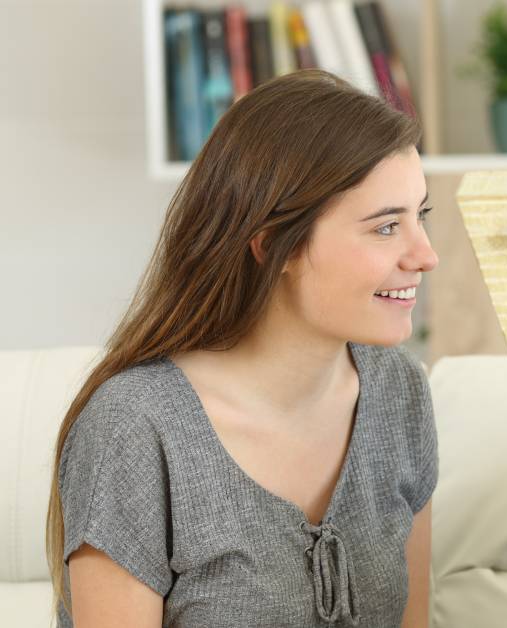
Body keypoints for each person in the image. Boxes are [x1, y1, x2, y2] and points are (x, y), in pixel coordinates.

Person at [45, 69, 439, 627]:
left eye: (419, 215)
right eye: (384, 227)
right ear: (273, 246)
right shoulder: (134, 426)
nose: (425, 255)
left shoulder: (398, 391)